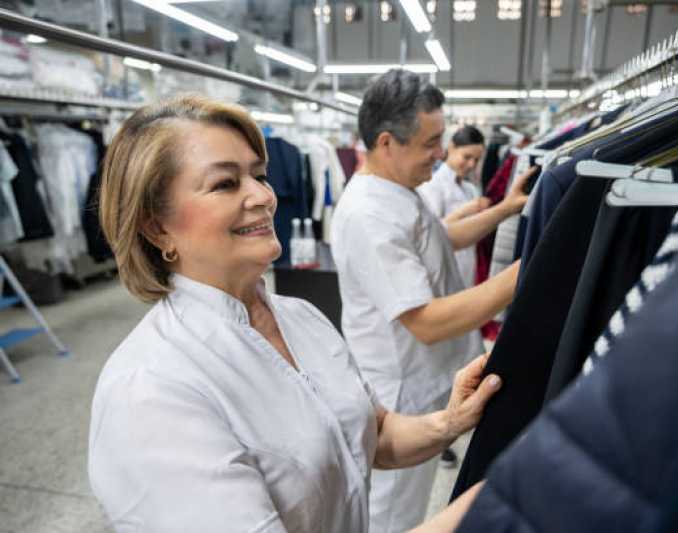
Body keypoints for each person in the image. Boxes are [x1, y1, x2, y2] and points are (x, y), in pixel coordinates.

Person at [87, 95, 501, 533]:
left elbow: (370, 434)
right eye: (226, 184)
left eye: (259, 176)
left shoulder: (299, 317)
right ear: (157, 226)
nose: (264, 196)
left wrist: (447, 423)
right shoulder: (151, 391)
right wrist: (489, 506)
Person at [330, 70, 533, 532]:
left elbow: (440, 239)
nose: (441, 154)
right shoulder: (369, 214)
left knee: (412, 504)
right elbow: (426, 322)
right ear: (387, 143)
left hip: (425, 379)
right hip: (400, 393)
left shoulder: (399, 191)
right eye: (430, 143)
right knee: (393, 516)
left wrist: (506, 208)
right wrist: (528, 272)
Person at [417, 125, 488, 287]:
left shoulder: (470, 189)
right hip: (444, 269)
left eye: (476, 160)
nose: (471, 164)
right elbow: (430, 232)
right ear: (451, 148)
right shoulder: (433, 185)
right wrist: (465, 211)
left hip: (468, 267)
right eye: (467, 157)